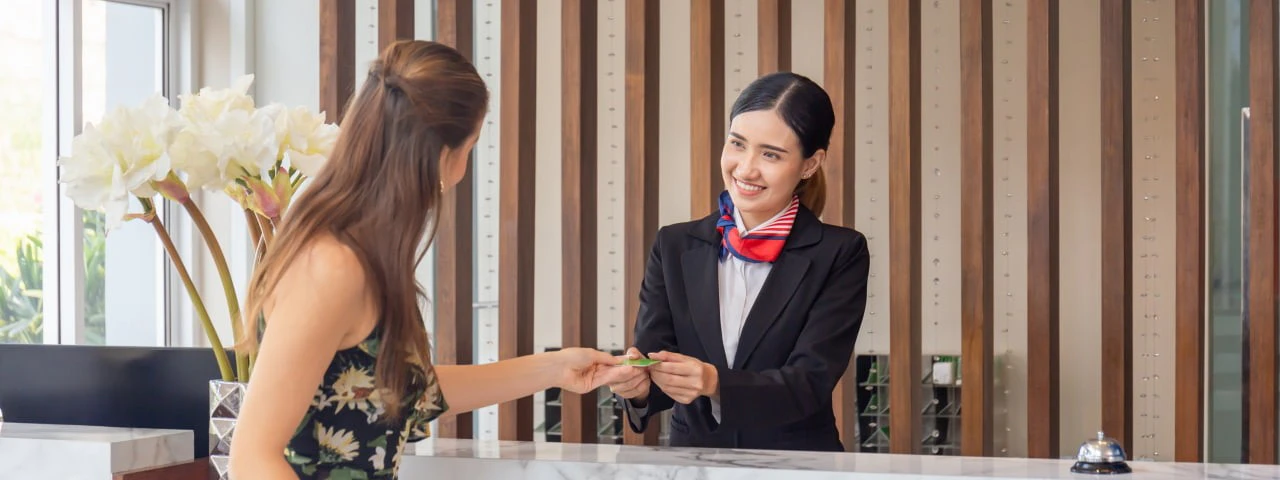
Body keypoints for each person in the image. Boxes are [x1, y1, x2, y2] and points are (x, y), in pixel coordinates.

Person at [229, 40, 627, 479]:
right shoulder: (332, 267)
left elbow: (403, 389)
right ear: (442, 157)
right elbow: (252, 459)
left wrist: (554, 368)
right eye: (472, 145)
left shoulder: (361, 257)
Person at [606, 72, 870, 452]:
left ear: (811, 164)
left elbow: (809, 382)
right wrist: (638, 388)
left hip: (798, 465)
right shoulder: (675, 244)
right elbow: (656, 362)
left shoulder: (839, 253)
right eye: (737, 144)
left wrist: (715, 383)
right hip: (694, 462)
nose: (745, 169)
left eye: (771, 154)